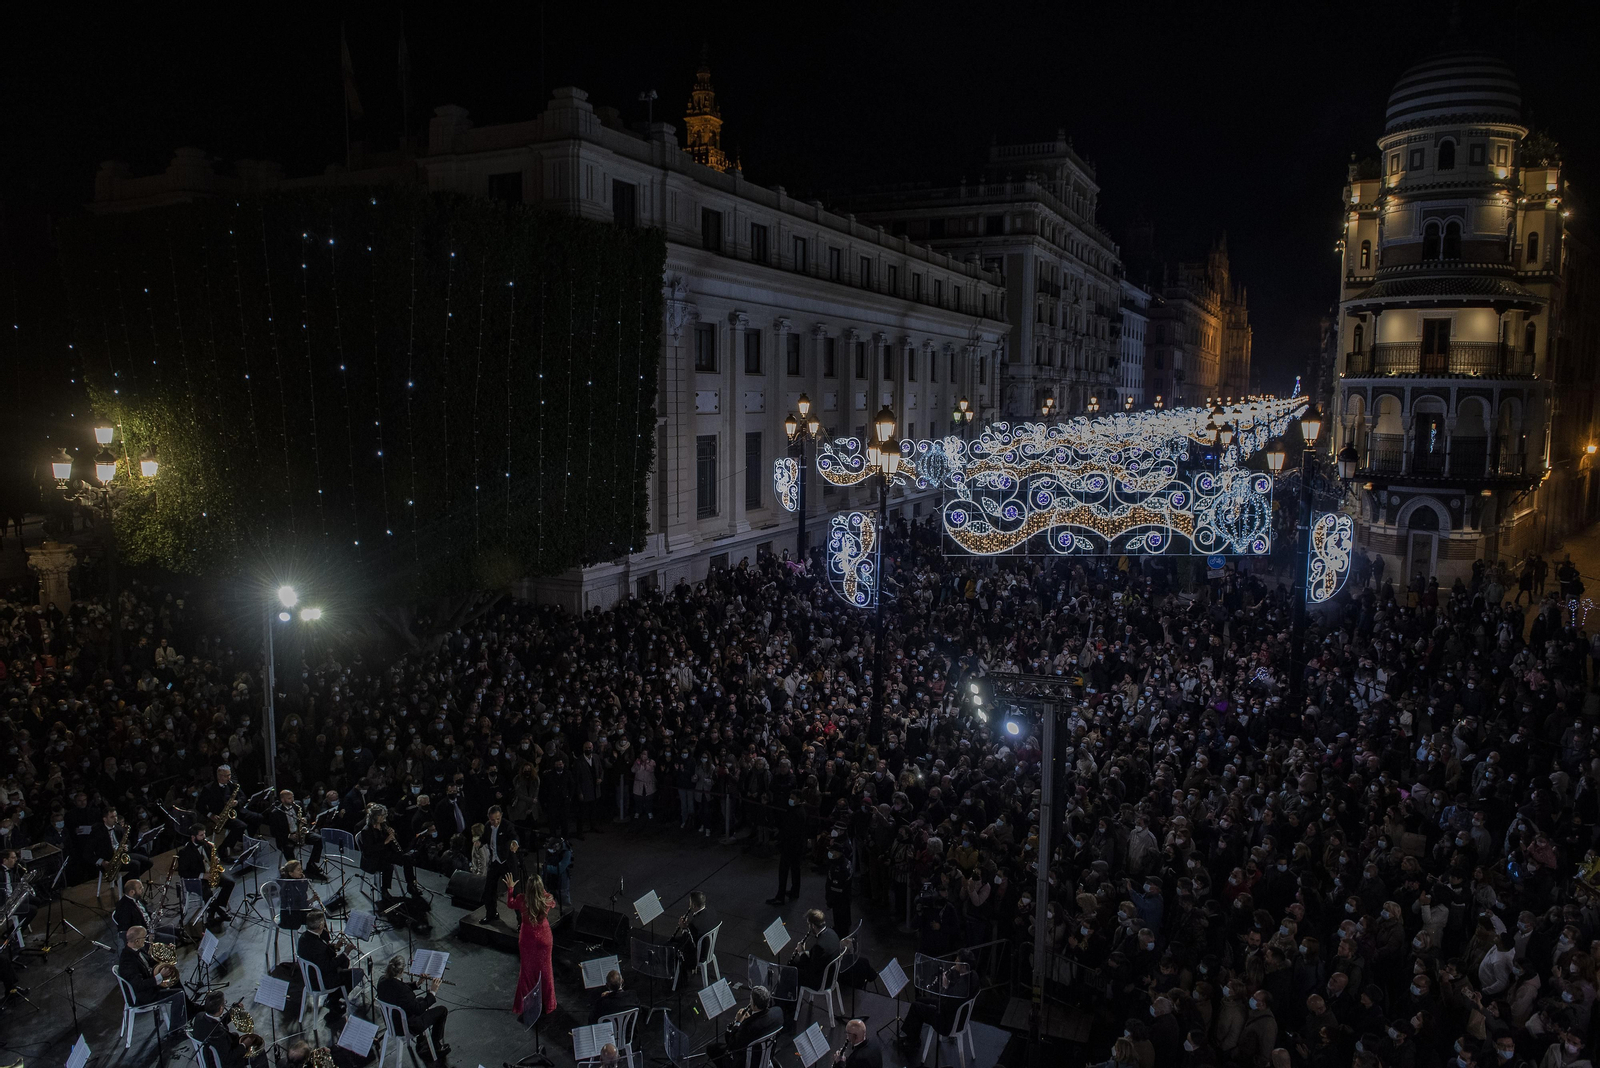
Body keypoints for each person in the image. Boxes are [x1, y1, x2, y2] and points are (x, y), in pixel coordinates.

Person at [376, 952, 450, 1062]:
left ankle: (423, 1039)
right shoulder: (403, 991)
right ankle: (437, 1046)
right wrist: (432, 992)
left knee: (419, 1000)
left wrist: (418, 983)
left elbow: (401, 988)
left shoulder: (382, 981)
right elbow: (418, 1009)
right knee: (442, 1010)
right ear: (401, 971)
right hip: (406, 1027)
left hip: (392, 1022)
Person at [117, 925, 189, 1029]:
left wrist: (165, 959)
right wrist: (160, 976)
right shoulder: (128, 961)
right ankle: (175, 1029)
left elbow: (149, 962)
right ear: (137, 941)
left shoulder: (136, 949)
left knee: (175, 981)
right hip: (144, 996)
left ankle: (189, 1008)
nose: (147, 940)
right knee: (178, 994)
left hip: (148, 986)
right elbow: (139, 985)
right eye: (144, 938)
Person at [506, 871, 556, 1017]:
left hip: (527, 938)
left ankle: (527, 1002)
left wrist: (510, 889)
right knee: (546, 970)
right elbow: (547, 897)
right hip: (544, 938)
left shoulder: (522, 899)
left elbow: (510, 904)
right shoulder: (547, 899)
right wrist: (539, 890)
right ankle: (548, 1003)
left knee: (527, 971)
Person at [297, 911, 362, 1014]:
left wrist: (335, 947)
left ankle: (335, 994)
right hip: (320, 981)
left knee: (344, 963)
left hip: (310, 976)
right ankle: (333, 999)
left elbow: (319, 954)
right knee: (357, 973)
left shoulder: (304, 937)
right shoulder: (317, 945)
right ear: (321, 925)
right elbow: (327, 966)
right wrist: (345, 952)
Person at [707, 985, 783, 1068]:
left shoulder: (747, 1028)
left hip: (745, 1062)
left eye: (751, 1000)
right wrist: (750, 1019)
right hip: (764, 1055)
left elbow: (732, 1045)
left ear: (754, 1006)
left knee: (712, 1049)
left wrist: (738, 1022)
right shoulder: (778, 1012)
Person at [358, 804, 419, 898]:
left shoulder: (384, 825)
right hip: (373, 858)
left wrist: (393, 834)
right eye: (382, 816)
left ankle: (411, 885)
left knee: (407, 858)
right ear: (375, 816)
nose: (384, 818)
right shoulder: (366, 831)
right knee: (388, 866)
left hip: (386, 853)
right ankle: (384, 889)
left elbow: (392, 841)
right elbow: (369, 850)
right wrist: (385, 841)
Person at [177, 825, 235, 924]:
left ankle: (214, 910)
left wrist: (216, 860)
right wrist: (202, 875)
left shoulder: (207, 844)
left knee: (230, 882)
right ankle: (220, 912)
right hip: (196, 879)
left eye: (204, 834)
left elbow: (211, 859)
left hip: (210, 873)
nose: (204, 837)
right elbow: (182, 872)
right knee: (207, 892)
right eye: (201, 835)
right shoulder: (184, 852)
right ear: (193, 837)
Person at [192, 991, 266, 1068]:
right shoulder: (218, 1035)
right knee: (258, 1051)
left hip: (208, 1057)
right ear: (221, 1009)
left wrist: (232, 1011)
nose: (224, 1005)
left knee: (235, 1036)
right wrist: (244, 1045)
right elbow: (229, 1058)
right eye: (224, 1003)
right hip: (222, 1064)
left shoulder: (199, 1016)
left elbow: (218, 1022)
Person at [267, 789, 327, 879]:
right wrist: (289, 836)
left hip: (300, 832)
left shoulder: (298, 804)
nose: (292, 800)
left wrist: (305, 819)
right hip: (286, 837)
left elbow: (306, 815)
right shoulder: (275, 813)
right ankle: (293, 873)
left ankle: (311, 864)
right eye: (289, 798)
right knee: (288, 848)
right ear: (283, 800)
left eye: (292, 797)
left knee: (319, 839)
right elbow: (274, 832)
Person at [480, 806, 519, 924]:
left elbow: (514, 836)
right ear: (489, 818)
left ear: (501, 815)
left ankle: (521, 921)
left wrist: (514, 843)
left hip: (507, 863)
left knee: (514, 892)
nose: (495, 822)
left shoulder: (507, 825)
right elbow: (485, 838)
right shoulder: (487, 826)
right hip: (495, 862)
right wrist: (479, 842)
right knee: (489, 889)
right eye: (493, 820)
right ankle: (491, 914)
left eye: (498, 819)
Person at [768, 789, 806, 906]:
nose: (790, 800)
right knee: (795, 869)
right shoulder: (800, 811)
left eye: (793, 798)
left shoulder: (795, 813)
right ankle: (795, 891)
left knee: (783, 871)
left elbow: (788, 830)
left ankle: (780, 897)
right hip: (797, 846)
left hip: (790, 846)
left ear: (799, 799)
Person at [197, 765, 247, 854]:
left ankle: (241, 841)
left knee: (257, 817)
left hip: (235, 811)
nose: (229, 778)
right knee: (240, 825)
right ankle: (223, 849)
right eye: (226, 776)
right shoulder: (208, 788)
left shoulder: (232, 784)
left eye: (229, 775)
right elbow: (199, 806)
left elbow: (243, 797)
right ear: (219, 776)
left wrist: (237, 802)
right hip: (220, 816)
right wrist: (211, 815)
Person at [672, 890, 720, 981]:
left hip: (699, 954)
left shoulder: (694, 924)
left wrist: (683, 928)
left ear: (694, 905)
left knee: (673, 949)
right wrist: (688, 927)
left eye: (690, 903)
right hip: (709, 948)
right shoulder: (711, 912)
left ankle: (680, 979)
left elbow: (688, 943)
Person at [792, 908, 842, 991]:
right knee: (796, 963)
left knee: (791, 972)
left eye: (809, 924)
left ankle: (791, 1001)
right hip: (831, 975)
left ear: (813, 926)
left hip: (820, 982)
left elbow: (810, 969)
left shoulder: (819, 946)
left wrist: (801, 952)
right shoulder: (832, 932)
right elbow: (818, 959)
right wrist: (805, 953)